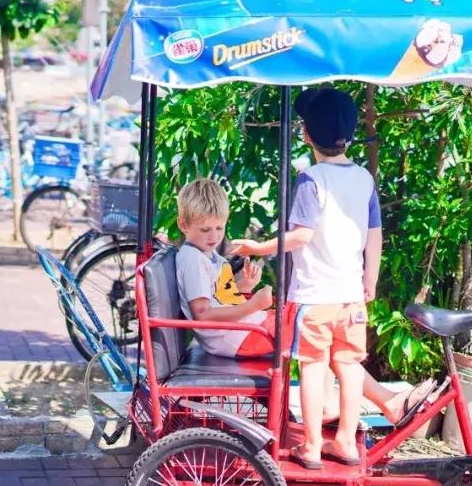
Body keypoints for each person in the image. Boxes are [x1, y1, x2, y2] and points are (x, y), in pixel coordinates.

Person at [176, 178, 431, 455]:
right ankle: (379, 402)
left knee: (317, 329)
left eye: (219, 227)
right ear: (183, 225)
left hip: (240, 332)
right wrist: (252, 306)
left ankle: (361, 403)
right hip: (233, 339)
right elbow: (203, 313)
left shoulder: (205, 255)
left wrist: (243, 288)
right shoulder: (192, 258)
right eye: (205, 230)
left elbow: (215, 296)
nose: (213, 236)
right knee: (316, 329)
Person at [230, 87, 384, 469]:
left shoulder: (311, 180)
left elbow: (301, 236)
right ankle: (346, 442)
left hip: (314, 297)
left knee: (313, 368)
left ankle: (313, 445)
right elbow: (374, 235)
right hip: (351, 299)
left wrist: (257, 246)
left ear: (305, 134)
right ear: (349, 135)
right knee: (349, 367)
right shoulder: (364, 178)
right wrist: (371, 281)